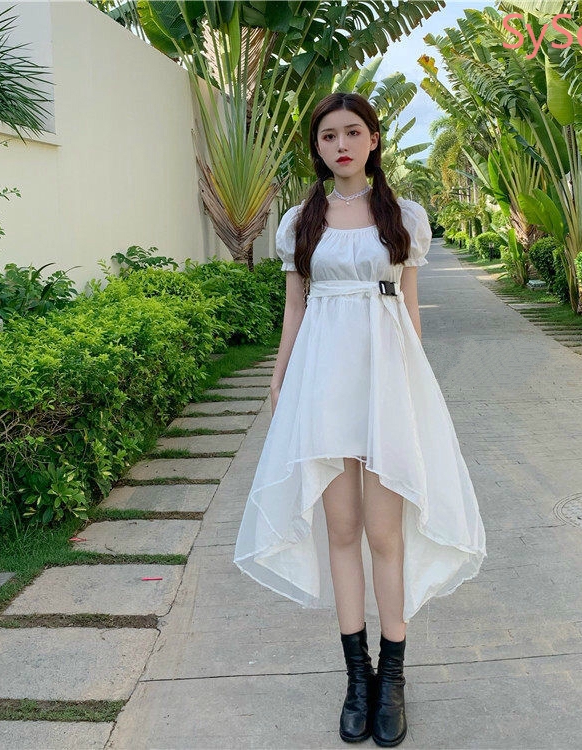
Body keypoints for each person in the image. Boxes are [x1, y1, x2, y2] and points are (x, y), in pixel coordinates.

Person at [234, 92, 486, 747]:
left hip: (386, 383)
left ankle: (393, 677)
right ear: (316, 148)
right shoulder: (301, 222)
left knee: (384, 533)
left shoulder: (403, 215)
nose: (340, 144)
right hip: (323, 385)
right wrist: (280, 379)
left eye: (352, 132)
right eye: (328, 135)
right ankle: (358, 678)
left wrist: (413, 387)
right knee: (341, 529)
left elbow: (410, 306)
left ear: (373, 139)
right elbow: (295, 308)